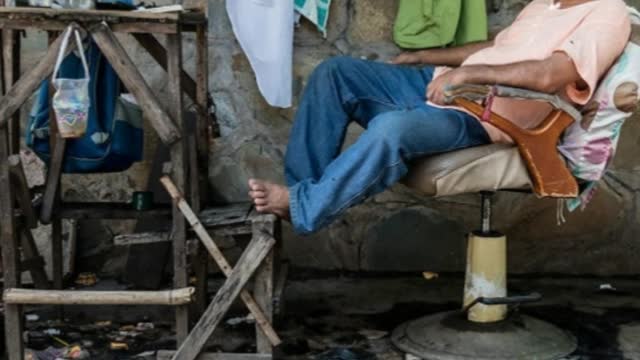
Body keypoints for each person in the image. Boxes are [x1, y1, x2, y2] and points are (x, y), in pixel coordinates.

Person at [248, 0, 631, 234]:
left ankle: (306, 208)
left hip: (487, 115)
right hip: (441, 86)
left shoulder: (608, 12)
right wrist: (427, 58)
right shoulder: (541, 6)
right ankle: (301, 195)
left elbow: (551, 74)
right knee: (335, 74)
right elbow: (497, 48)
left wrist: (469, 76)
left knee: (392, 128)